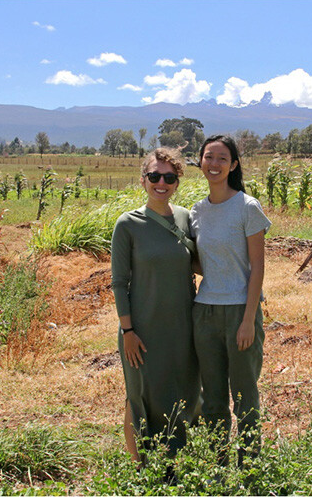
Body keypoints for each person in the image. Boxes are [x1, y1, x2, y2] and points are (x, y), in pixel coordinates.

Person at [111, 147, 201, 464]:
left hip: (182, 326)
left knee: (185, 392)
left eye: (169, 177)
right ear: (143, 180)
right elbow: (119, 282)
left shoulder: (186, 218)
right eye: (154, 176)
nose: (161, 183)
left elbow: (202, 263)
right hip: (143, 330)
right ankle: (141, 470)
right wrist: (128, 331)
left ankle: (178, 461)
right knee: (140, 397)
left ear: (177, 182)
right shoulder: (128, 224)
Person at [190, 134, 271, 466]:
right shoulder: (197, 211)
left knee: (244, 396)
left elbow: (258, 266)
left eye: (222, 158)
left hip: (240, 310)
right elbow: (200, 261)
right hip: (205, 311)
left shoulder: (247, 207)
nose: (214, 164)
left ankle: (249, 467)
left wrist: (249, 320)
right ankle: (216, 466)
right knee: (212, 399)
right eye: (209, 157)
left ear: (233, 165)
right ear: (200, 162)